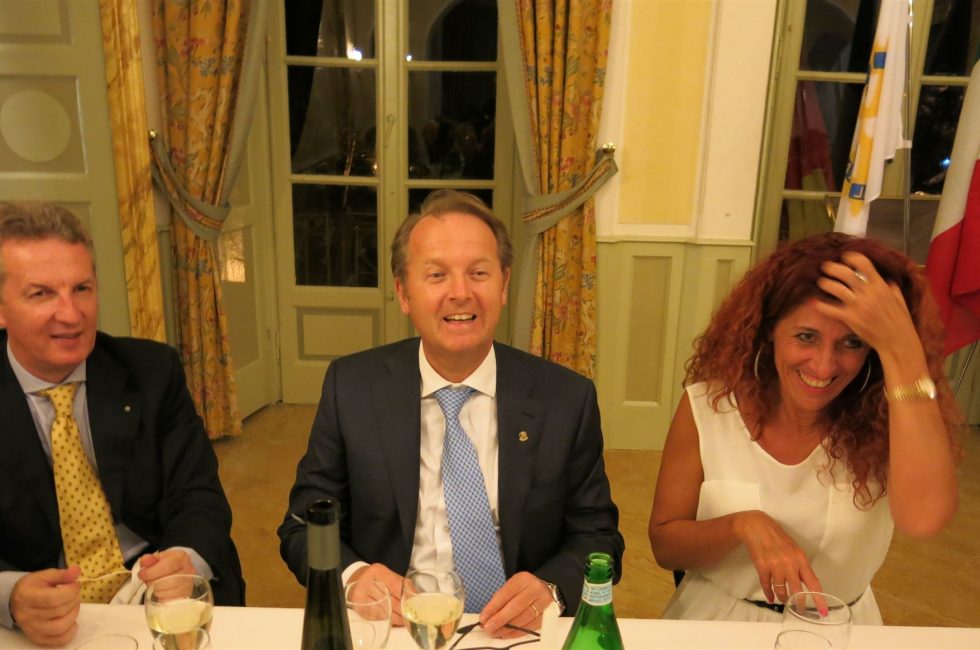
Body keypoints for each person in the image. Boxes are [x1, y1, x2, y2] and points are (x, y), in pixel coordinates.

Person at [279, 190, 623, 637]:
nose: (460, 293)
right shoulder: (353, 388)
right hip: (393, 628)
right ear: (404, 292)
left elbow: (599, 536)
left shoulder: (566, 399)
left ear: (504, 285)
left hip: (516, 632)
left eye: (479, 273)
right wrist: (355, 577)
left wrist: (551, 588)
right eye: (436, 275)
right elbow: (302, 526)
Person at [647, 232, 961, 625]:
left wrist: (904, 348)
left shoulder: (889, 417)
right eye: (806, 337)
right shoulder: (709, 406)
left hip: (841, 628)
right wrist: (742, 525)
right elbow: (666, 547)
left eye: (852, 343)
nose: (824, 366)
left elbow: (925, 517)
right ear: (770, 330)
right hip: (716, 620)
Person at [0, 203, 244, 646]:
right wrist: (9, 596)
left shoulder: (152, 372)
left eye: (82, 288)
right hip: (38, 621)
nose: (71, 314)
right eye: (41, 294)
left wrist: (185, 560)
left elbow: (199, 495)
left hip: (154, 598)